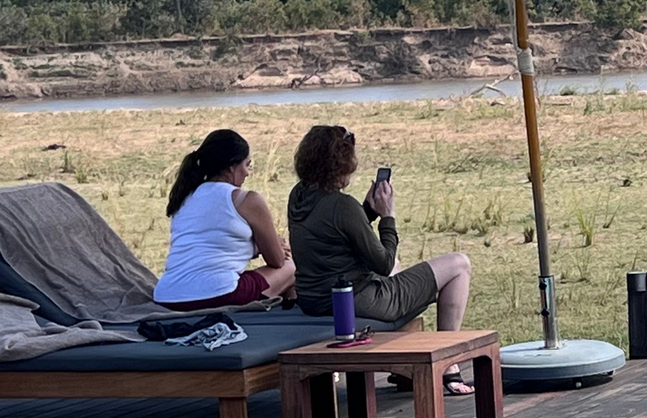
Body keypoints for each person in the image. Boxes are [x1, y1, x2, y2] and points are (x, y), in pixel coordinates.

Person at [286, 124, 475, 395]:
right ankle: (449, 363)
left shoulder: (298, 196)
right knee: (459, 265)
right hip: (356, 301)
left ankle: (408, 369)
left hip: (314, 299)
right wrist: (387, 216)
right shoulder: (342, 205)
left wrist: (365, 213)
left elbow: (334, 234)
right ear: (342, 164)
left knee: (401, 271)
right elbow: (383, 263)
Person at [153, 129, 296, 311]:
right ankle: (291, 319)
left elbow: (211, 246)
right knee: (291, 267)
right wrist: (273, 245)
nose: (247, 173)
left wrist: (257, 247)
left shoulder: (184, 197)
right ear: (232, 167)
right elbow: (277, 261)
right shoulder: (246, 200)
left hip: (167, 296)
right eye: (247, 165)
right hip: (219, 293)